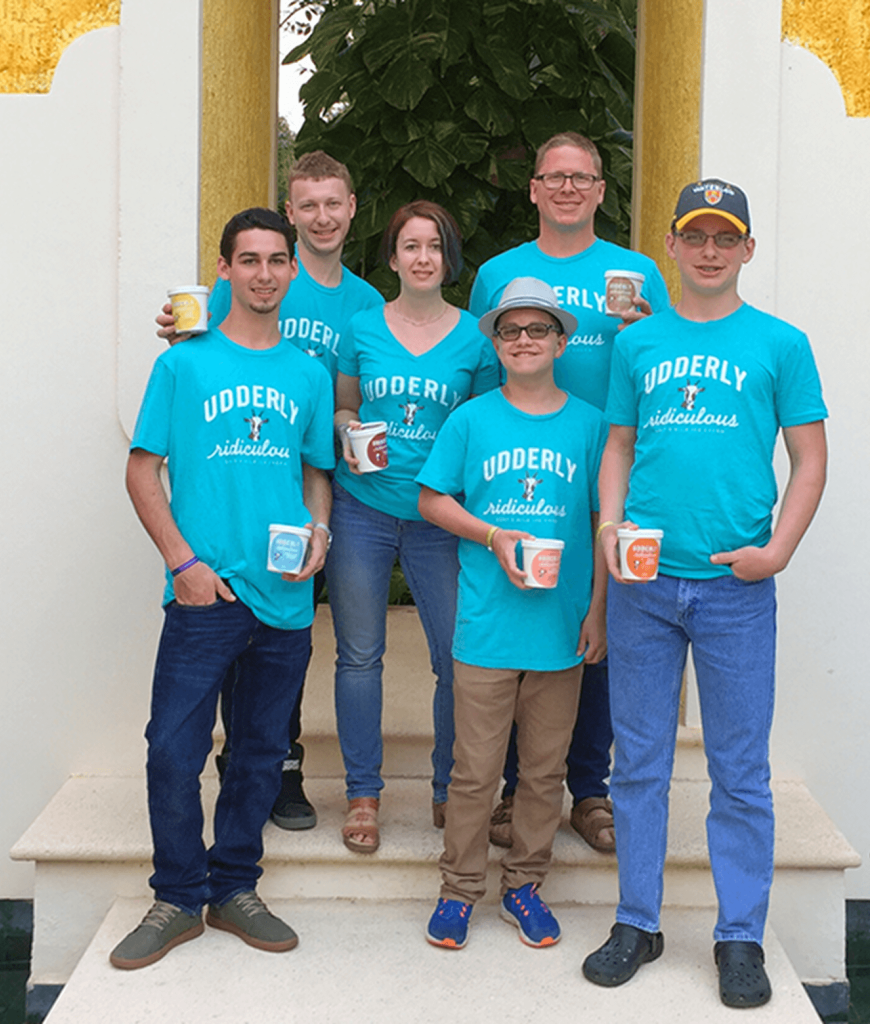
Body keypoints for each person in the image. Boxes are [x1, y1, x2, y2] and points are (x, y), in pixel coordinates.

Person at [583, 179, 828, 1008]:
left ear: (748, 248)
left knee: (740, 771)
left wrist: (778, 551)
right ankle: (637, 921)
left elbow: (811, 458)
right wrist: (610, 527)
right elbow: (619, 446)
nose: (711, 250)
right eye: (697, 235)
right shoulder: (638, 343)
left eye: (727, 237)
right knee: (638, 762)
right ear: (673, 246)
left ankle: (739, 937)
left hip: (734, 588)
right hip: (645, 581)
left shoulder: (781, 343)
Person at [111, 208, 334, 970]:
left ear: (292, 270)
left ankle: (235, 886)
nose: (264, 274)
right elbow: (142, 470)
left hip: (285, 599)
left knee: (261, 753)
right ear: (225, 269)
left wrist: (319, 534)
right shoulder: (185, 364)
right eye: (250, 260)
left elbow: (315, 473)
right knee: (172, 751)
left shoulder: (307, 373)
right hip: (204, 596)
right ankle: (177, 896)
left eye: (276, 261)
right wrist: (183, 565)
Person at [156, 151, 382, 831]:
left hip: (313, 487)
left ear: (351, 208)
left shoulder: (366, 304)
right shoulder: (252, 279)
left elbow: (356, 394)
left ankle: (276, 765)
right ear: (291, 213)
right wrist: (174, 327)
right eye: (308, 204)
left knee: (285, 637)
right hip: (234, 496)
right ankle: (259, 765)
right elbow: (199, 348)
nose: (322, 216)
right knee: (228, 640)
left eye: (333, 203)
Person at [468, 131, 670, 853]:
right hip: (524, 475)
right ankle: (514, 789)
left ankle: (589, 790)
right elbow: (481, 373)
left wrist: (648, 330)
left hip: (611, 466)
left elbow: (665, 366)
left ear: (600, 191)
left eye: (581, 178)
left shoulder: (638, 272)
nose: (566, 189)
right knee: (523, 622)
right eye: (553, 177)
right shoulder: (498, 273)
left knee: (597, 629)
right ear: (533, 189)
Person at [417, 276, 608, 950]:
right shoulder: (471, 420)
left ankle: (524, 884)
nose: (524, 340)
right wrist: (493, 535)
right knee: (474, 772)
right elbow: (431, 499)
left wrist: (598, 611)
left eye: (538, 329)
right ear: (496, 343)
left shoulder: (590, 424)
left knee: (544, 772)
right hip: (487, 623)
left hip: (559, 626)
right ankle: (458, 889)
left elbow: (602, 521)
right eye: (511, 330)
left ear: (561, 342)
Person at [328, 200, 500, 854]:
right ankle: (363, 795)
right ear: (393, 257)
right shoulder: (362, 327)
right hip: (363, 508)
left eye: (434, 246)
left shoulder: (476, 339)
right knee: (359, 657)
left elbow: (485, 427)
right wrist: (349, 432)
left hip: (439, 518)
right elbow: (345, 405)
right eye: (410, 245)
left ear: (448, 258)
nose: (422, 257)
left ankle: (448, 789)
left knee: (455, 660)